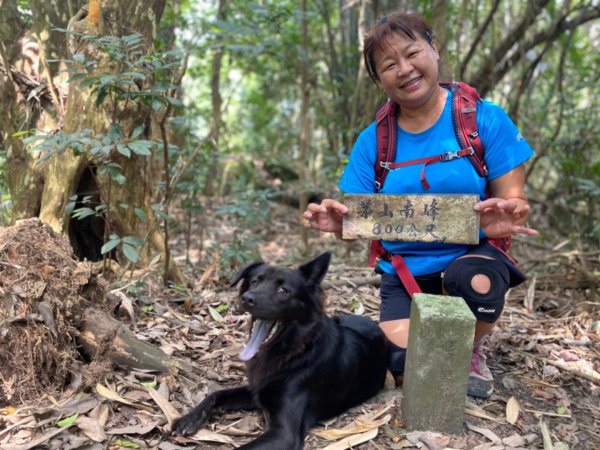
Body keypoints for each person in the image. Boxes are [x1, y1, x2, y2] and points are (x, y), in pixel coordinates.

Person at [303, 12, 538, 399]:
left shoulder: (483, 120)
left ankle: (471, 347)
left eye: (413, 53)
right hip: (404, 270)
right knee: (401, 365)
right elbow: (360, 220)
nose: (405, 69)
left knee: (474, 284)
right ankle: (446, 345)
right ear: (379, 81)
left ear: (434, 50)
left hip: (472, 257)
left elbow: (514, 198)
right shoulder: (372, 141)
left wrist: (508, 209)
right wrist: (338, 224)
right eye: (390, 65)